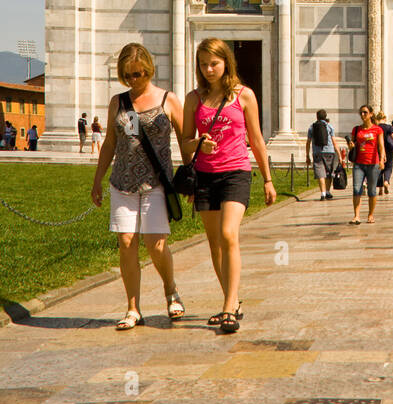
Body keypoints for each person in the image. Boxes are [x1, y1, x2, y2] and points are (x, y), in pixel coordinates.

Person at [182, 37, 276, 334]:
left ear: (226, 63)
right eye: (203, 64)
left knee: (228, 234)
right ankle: (232, 300)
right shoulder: (193, 98)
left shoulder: (244, 96)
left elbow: (257, 139)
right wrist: (198, 144)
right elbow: (185, 143)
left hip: (236, 171)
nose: (209, 69)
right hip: (204, 174)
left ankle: (227, 308)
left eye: (214, 63)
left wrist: (269, 179)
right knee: (214, 244)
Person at [90, 42, 186, 331]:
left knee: (155, 244)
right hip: (123, 183)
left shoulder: (168, 100)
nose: (133, 80)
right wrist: (97, 179)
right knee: (126, 242)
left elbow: (185, 140)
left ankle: (171, 290)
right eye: (128, 75)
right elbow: (110, 143)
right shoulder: (118, 102)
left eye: (139, 74)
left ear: (149, 69)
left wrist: (193, 176)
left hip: (156, 182)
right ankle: (133, 308)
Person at [349, 104, 385, 224]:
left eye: (365, 112)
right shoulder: (357, 129)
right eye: (361, 113)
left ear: (371, 114)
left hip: (373, 163)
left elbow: (381, 146)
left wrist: (382, 159)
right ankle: (356, 216)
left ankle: (370, 215)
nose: (362, 115)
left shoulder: (377, 129)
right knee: (356, 188)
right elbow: (353, 145)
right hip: (359, 163)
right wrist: (351, 146)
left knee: (372, 191)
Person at [306, 108, 336, 199]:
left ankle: (322, 193)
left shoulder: (312, 127)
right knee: (329, 173)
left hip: (317, 152)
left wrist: (307, 155)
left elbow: (308, 142)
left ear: (317, 117)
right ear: (325, 116)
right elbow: (334, 141)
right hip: (329, 151)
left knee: (320, 173)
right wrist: (338, 153)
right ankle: (327, 191)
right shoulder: (329, 127)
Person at [376, 112, 393, 195]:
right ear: (385, 119)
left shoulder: (376, 127)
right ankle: (386, 181)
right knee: (388, 167)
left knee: (379, 169)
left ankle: (380, 189)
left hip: (378, 150)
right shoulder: (389, 127)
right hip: (388, 150)